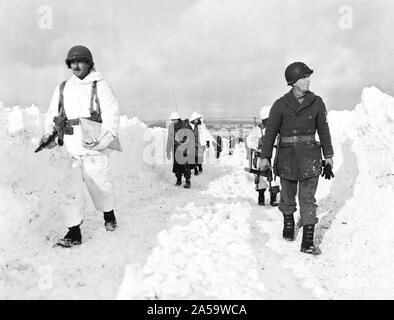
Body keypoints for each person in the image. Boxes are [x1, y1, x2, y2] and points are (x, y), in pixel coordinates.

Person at [39, 45, 121, 248]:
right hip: (70, 147)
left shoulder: (100, 85)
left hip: (94, 143)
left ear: (89, 63)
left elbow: (111, 113)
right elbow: (52, 113)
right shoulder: (63, 87)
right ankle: (74, 232)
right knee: (70, 190)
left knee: (100, 184)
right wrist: (48, 133)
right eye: (72, 62)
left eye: (80, 61)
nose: (75, 65)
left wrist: (107, 135)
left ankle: (108, 214)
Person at [259, 62, 334, 255]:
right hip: (287, 157)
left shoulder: (317, 102)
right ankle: (288, 225)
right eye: (303, 77)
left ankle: (307, 241)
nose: (308, 80)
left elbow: (324, 132)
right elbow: (270, 133)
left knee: (307, 198)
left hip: (310, 156)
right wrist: (265, 156)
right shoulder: (280, 105)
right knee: (287, 195)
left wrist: (328, 156)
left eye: (308, 76)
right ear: (293, 82)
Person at [246, 106, 280, 206]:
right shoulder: (257, 130)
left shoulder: (277, 128)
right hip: (261, 156)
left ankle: (273, 199)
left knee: (274, 177)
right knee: (261, 178)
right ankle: (261, 198)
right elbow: (249, 141)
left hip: (273, 156)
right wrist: (258, 144)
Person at [166, 112, 193, 188]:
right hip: (176, 149)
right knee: (177, 166)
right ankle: (178, 180)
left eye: (175, 119)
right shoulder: (171, 127)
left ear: (178, 119)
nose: (174, 121)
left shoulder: (185, 125)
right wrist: (168, 150)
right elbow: (169, 139)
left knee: (185, 165)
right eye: (172, 120)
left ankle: (188, 181)